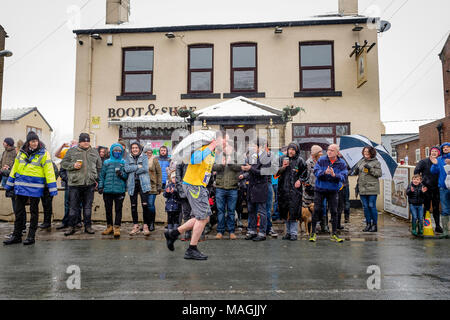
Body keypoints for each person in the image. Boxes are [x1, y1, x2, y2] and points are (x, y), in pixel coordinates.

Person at [164, 135, 220, 260]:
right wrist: (211, 146)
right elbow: (194, 160)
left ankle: (173, 233)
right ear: (215, 140)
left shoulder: (212, 153)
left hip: (199, 186)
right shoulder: (204, 148)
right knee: (202, 218)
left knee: (203, 218)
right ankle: (191, 249)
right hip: (194, 186)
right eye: (225, 139)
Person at [4, 131, 58, 245]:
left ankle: (31, 236)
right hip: (20, 186)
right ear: (28, 142)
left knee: (34, 213)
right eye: (33, 141)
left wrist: (52, 187)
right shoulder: (21, 153)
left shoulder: (44, 153)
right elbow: (15, 169)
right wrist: (9, 184)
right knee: (19, 212)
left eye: (36, 141)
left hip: (35, 188)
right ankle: (16, 236)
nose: (35, 143)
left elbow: (49, 171)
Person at [61, 133, 102, 236]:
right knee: (73, 207)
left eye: (88, 141)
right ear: (80, 142)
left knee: (88, 207)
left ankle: (88, 226)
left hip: (89, 184)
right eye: (84, 141)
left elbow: (99, 167)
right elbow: (63, 164)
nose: (86, 142)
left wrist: (97, 179)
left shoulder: (94, 152)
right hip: (75, 184)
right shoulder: (71, 151)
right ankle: (71, 226)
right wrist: (73, 165)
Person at [309, 144, 347, 243]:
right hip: (320, 189)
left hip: (333, 190)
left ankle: (334, 234)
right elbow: (316, 171)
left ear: (337, 153)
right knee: (316, 210)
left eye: (332, 150)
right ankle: (312, 233)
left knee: (334, 211)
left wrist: (335, 175)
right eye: (328, 150)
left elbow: (344, 175)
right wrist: (324, 172)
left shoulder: (341, 163)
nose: (329, 152)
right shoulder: (322, 160)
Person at [276, 142, 308, 241]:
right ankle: (288, 233)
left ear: (296, 150)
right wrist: (283, 167)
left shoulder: (300, 161)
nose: (291, 151)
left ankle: (294, 233)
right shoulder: (281, 159)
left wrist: (300, 180)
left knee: (294, 211)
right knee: (285, 211)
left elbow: (305, 174)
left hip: (295, 191)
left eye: (293, 150)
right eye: (290, 149)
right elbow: (275, 174)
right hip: (283, 190)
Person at [243, 137, 271, 242]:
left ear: (261, 147)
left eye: (255, 146)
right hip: (251, 187)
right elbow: (251, 171)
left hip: (261, 188)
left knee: (262, 212)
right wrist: (246, 171)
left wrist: (250, 168)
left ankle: (262, 233)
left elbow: (263, 173)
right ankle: (252, 231)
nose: (253, 148)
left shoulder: (267, 157)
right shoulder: (253, 157)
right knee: (251, 210)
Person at [213, 136, 241, 240]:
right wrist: (221, 164)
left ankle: (231, 231)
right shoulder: (218, 155)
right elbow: (212, 167)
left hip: (233, 187)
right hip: (220, 187)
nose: (227, 147)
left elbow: (240, 168)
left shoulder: (237, 156)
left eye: (229, 146)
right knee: (220, 210)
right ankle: (220, 231)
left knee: (231, 211)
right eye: (225, 146)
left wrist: (231, 163)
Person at [99, 143, 128, 238]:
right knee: (108, 209)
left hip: (119, 190)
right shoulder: (106, 162)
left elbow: (126, 176)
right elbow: (102, 176)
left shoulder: (124, 162)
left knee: (118, 210)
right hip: (107, 190)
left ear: (122, 152)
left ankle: (117, 227)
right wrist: (100, 186)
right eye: (115, 151)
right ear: (111, 151)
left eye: (119, 151)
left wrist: (121, 174)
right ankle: (109, 227)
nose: (117, 152)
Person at [125, 141, 152, 236]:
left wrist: (134, 169)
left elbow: (145, 168)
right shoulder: (128, 157)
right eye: (133, 148)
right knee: (133, 206)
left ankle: (145, 226)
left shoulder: (144, 156)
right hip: (132, 184)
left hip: (143, 184)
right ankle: (135, 226)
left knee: (145, 205)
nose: (134, 149)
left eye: (136, 148)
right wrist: (137, 166)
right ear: (131, 149)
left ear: (139, 149)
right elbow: (126, 169)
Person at [353, 146, 382, 233]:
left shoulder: (376, 162)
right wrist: (356, 171)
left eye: (367, 151)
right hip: (362, 187)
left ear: (371, 153)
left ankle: (374, 225)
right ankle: (368, 224)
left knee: (371, 206)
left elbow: (379, 174)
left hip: (372, 188)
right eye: (364, 151)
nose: (366, 153)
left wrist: (370, 169)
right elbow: (357, 172)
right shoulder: (361, 161)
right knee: (365, 207)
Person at [415, 146, 443, 233]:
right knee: (426, 207)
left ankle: (438, 226)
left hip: (437, 188)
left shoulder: (440, 161)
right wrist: (421, 184)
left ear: (438, 153)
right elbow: (416, 171)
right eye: (432, 151)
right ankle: (425, 225)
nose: (434, 153)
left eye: (436, 151)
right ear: (430, 153)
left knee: (436, 208)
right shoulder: (424, 161)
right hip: (426, 188)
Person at [430, 142, 450, 238]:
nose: (445, 149)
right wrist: (434, 164)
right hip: (443, 187)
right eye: (444, 148)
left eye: (447, 147)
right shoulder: (439, 159)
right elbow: (433, 171)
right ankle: (446, 232)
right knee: (445, 210)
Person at [144, 144, 162, 232]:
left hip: (153, 186)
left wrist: (159, 186)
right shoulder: (141, 159)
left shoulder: (154, 160)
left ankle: (151, 223)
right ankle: (145, 224)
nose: (149, 154)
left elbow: (159, 173)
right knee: (145, 205)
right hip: (143, 186)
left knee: (151, 205)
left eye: (150, 152)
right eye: (147, 152)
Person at [38, 160, 59, 230]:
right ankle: (46, 222)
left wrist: (48, 182)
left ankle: (47, 223)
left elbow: (56, 173)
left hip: (48, 187)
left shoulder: (50, 162)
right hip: (42, 187)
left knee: (47, 205)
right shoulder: (40, 162)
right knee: (45, 205)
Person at [175, 162, 192, 241]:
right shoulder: (181, 160)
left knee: (197, 213)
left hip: (196, 189)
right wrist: (182, 190)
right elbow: (178, 177)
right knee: (186, 212)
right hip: (184, 189)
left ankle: (198, 233)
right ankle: (187, 233)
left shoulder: (198, 157)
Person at [1, 137, 17, 219]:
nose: (3, 143)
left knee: (15, 201)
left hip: (12, 179)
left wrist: (8, 168)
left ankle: (20, 223)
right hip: (4, 177)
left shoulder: (15, 152)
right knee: (12, 200)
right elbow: (1, 164)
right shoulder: (4, 152)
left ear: (7, 143)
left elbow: (15, 166)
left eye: (4, 142)